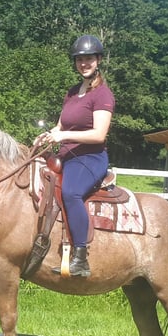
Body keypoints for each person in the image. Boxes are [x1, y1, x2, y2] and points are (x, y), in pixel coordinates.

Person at [34, 34, 115, 278]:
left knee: (71, 192)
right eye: (79, 59)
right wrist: (48, 136)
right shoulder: (71, 92)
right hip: (68, 156)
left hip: (90, 158)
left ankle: (80, 258)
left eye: (89, 58)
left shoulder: (102, 94)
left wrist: (63, 136)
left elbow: (99, 134)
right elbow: (61, 126)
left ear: (98, 60)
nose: (84, 63)